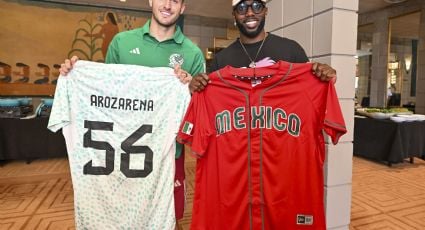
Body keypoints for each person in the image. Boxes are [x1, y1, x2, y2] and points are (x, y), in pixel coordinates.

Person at [59, 0, 205, 228]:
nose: (167, 5)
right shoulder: (122, 42)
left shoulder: (193, 54)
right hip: (118, 155)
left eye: (175, 0)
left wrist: (187, 87)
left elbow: (196, 116)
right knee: (116, 216)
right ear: (151, 1)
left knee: (166, 218)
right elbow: (105, 97)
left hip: (166, 157)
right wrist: (75, 74)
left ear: (183, 7)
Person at [189, 0, 337, 93]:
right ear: (234, 14)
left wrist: (327, 76)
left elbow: (314, 88)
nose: (249, 13)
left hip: (282, 141)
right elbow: (210, 100)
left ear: (266, 10)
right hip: (239, 141)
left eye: (257, 6)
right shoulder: (221, 59)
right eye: (241, 7)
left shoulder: (291, 50)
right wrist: (194, 87)